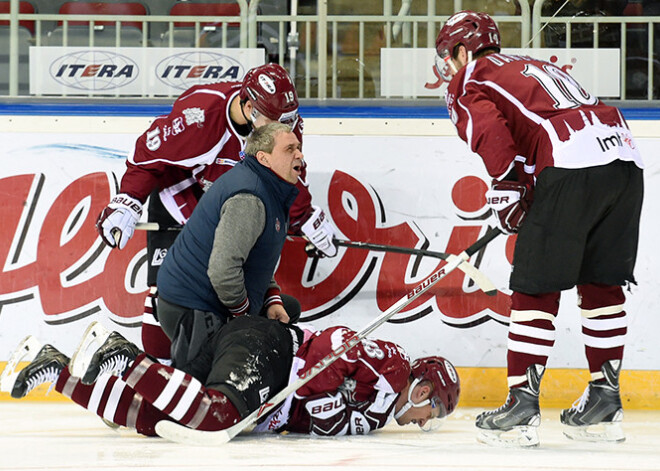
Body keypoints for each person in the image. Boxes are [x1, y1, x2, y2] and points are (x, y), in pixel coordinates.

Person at [435, 11, 643, 447]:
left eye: (448, 56)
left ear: (460, 50)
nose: (449, 68)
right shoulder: (528, 64)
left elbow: (489, 130)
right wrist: (527, 184)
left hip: (569, 161)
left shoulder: (470, 76)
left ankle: (521, 406)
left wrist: (510, 185)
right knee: (600, 281)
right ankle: (605, 402)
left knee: (534, 287)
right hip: (624, 158)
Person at [96, 63, 338, 363]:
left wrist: (303, 215)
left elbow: (286, 170)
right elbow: (148, 153)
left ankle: (206, 375)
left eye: (290, 123)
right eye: (277, 122)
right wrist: (129, 199)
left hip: (234, 204)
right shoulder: (199, 116)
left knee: (229, 286)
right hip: (182, 198)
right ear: (249, 107)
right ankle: (155, 373)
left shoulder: (282, 121)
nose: (286, 131)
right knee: (172, 295)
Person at [2, 316, 460, 438]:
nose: (426, 419)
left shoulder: (380, 414)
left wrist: (322, 408)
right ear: (421, 390)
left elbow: (320, 419)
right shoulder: (392, 365)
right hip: (272, 352)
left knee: (155, 421)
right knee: (216, 418)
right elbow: (336, 343)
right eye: (433, 408)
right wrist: (323, 392)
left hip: (264, 370)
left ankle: (58, 372)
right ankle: (125, 355)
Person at [155, 122, 304, 379]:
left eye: (299, 148)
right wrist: (244, 316)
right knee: (201, 395)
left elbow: (255, 258)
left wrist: (271, 298)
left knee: (287, 311)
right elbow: (223, 271)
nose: (299, 154)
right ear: (264, 158)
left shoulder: (268, 188)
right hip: (192, 309)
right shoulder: (250, 198)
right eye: (290, 149)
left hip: (210, 299)